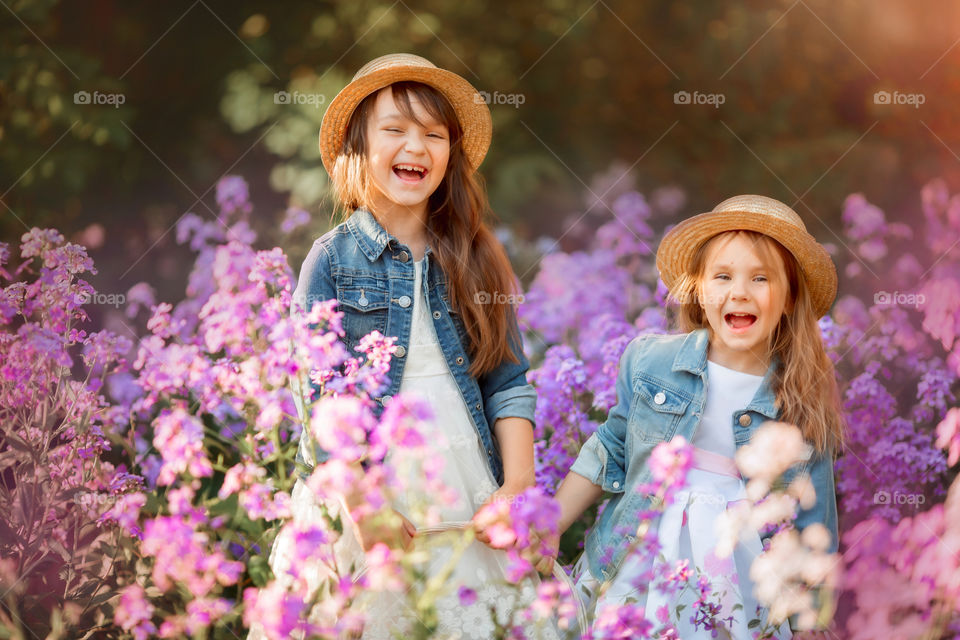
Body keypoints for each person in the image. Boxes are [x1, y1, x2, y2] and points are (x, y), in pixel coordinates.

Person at [261, 53, 556, 639]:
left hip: (468, 476)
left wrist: (518, 491)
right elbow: (322, 403)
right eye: (394, 130)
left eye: (433, 134)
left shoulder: (477, 256)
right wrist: (367, 511)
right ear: (359, 148)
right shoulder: (331, 259)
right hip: (366, 486)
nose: (415, 147)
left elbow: (507, 380)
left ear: (451, 155)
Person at [542, 195, 845, 639]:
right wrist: (551, 525)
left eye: (760, 278)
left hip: (739, 572)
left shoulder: (797, 398)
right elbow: (611, 448)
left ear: (789, 297)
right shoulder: (651, 360)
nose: (739, 291)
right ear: (699, 290)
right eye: (722, 276)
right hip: (641, 552)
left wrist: (810, 620)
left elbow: (813, 516)